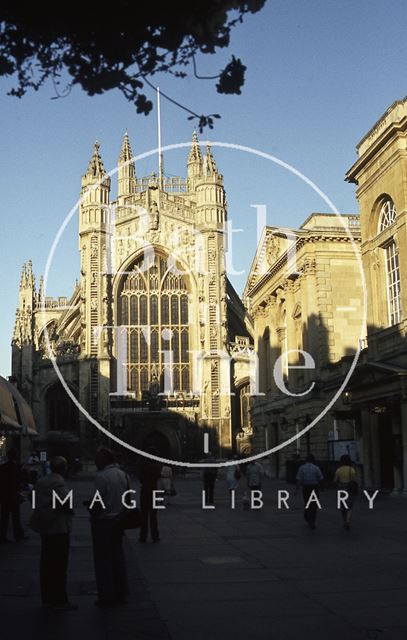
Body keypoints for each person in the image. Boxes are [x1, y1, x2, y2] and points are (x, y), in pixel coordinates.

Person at [28, 456, 76, 611]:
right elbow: (66, 501)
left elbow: (31, 496)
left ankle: (47, 598)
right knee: (58, 565)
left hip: (45, 527)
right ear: (63, 468)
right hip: (57, 527)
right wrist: (66, 510)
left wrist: (41, 508)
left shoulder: (42, 480)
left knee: (46, 563)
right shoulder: (57, 481)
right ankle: (59, 599)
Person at [89, 447, 129, 606]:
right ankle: (122, 592)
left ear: (106, 459)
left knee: (103, 560)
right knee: (118, 557)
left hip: (104, 522)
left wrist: (92, 513)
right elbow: (128, 499)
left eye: (97, 459)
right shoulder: (123, 475)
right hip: (119, 520)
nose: (95, 461)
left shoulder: (102, 476)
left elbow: (97, 502)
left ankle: (106, 595)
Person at [0, 449, 26, 543]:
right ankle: (18, 535)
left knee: (4, 517)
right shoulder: (17, 467)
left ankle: (2, 536)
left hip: (4, 496)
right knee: (16, 517)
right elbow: (20, 481)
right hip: (14, 495)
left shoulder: (2, 467)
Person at [295, 454, 324, 530]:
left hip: (306, 487)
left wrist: (296, 490)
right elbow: (320, 478)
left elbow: (299, 480)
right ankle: (313, 520)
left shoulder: (302, 468)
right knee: (314, 504)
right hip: (314, 487)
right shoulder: (316, 468)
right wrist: (321, 487)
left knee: (307, 502)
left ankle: (307, 516)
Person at [139, 451, 162, 542]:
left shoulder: (143, 466)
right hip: (154, 490)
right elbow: (159, 476)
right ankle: (155, 536)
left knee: (144, 514)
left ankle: (143, 536)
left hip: (145, 490)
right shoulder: (157, 466)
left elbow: (140, 478)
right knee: (153, 515)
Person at [334, 454, 357, 531]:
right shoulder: (352, 469)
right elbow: (354, 480)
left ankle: (344, 521)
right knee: (349, 506)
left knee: (343, 506)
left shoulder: (338, 470)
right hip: (349, 488)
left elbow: (335, 481)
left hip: (341, 488)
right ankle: (348, 520)